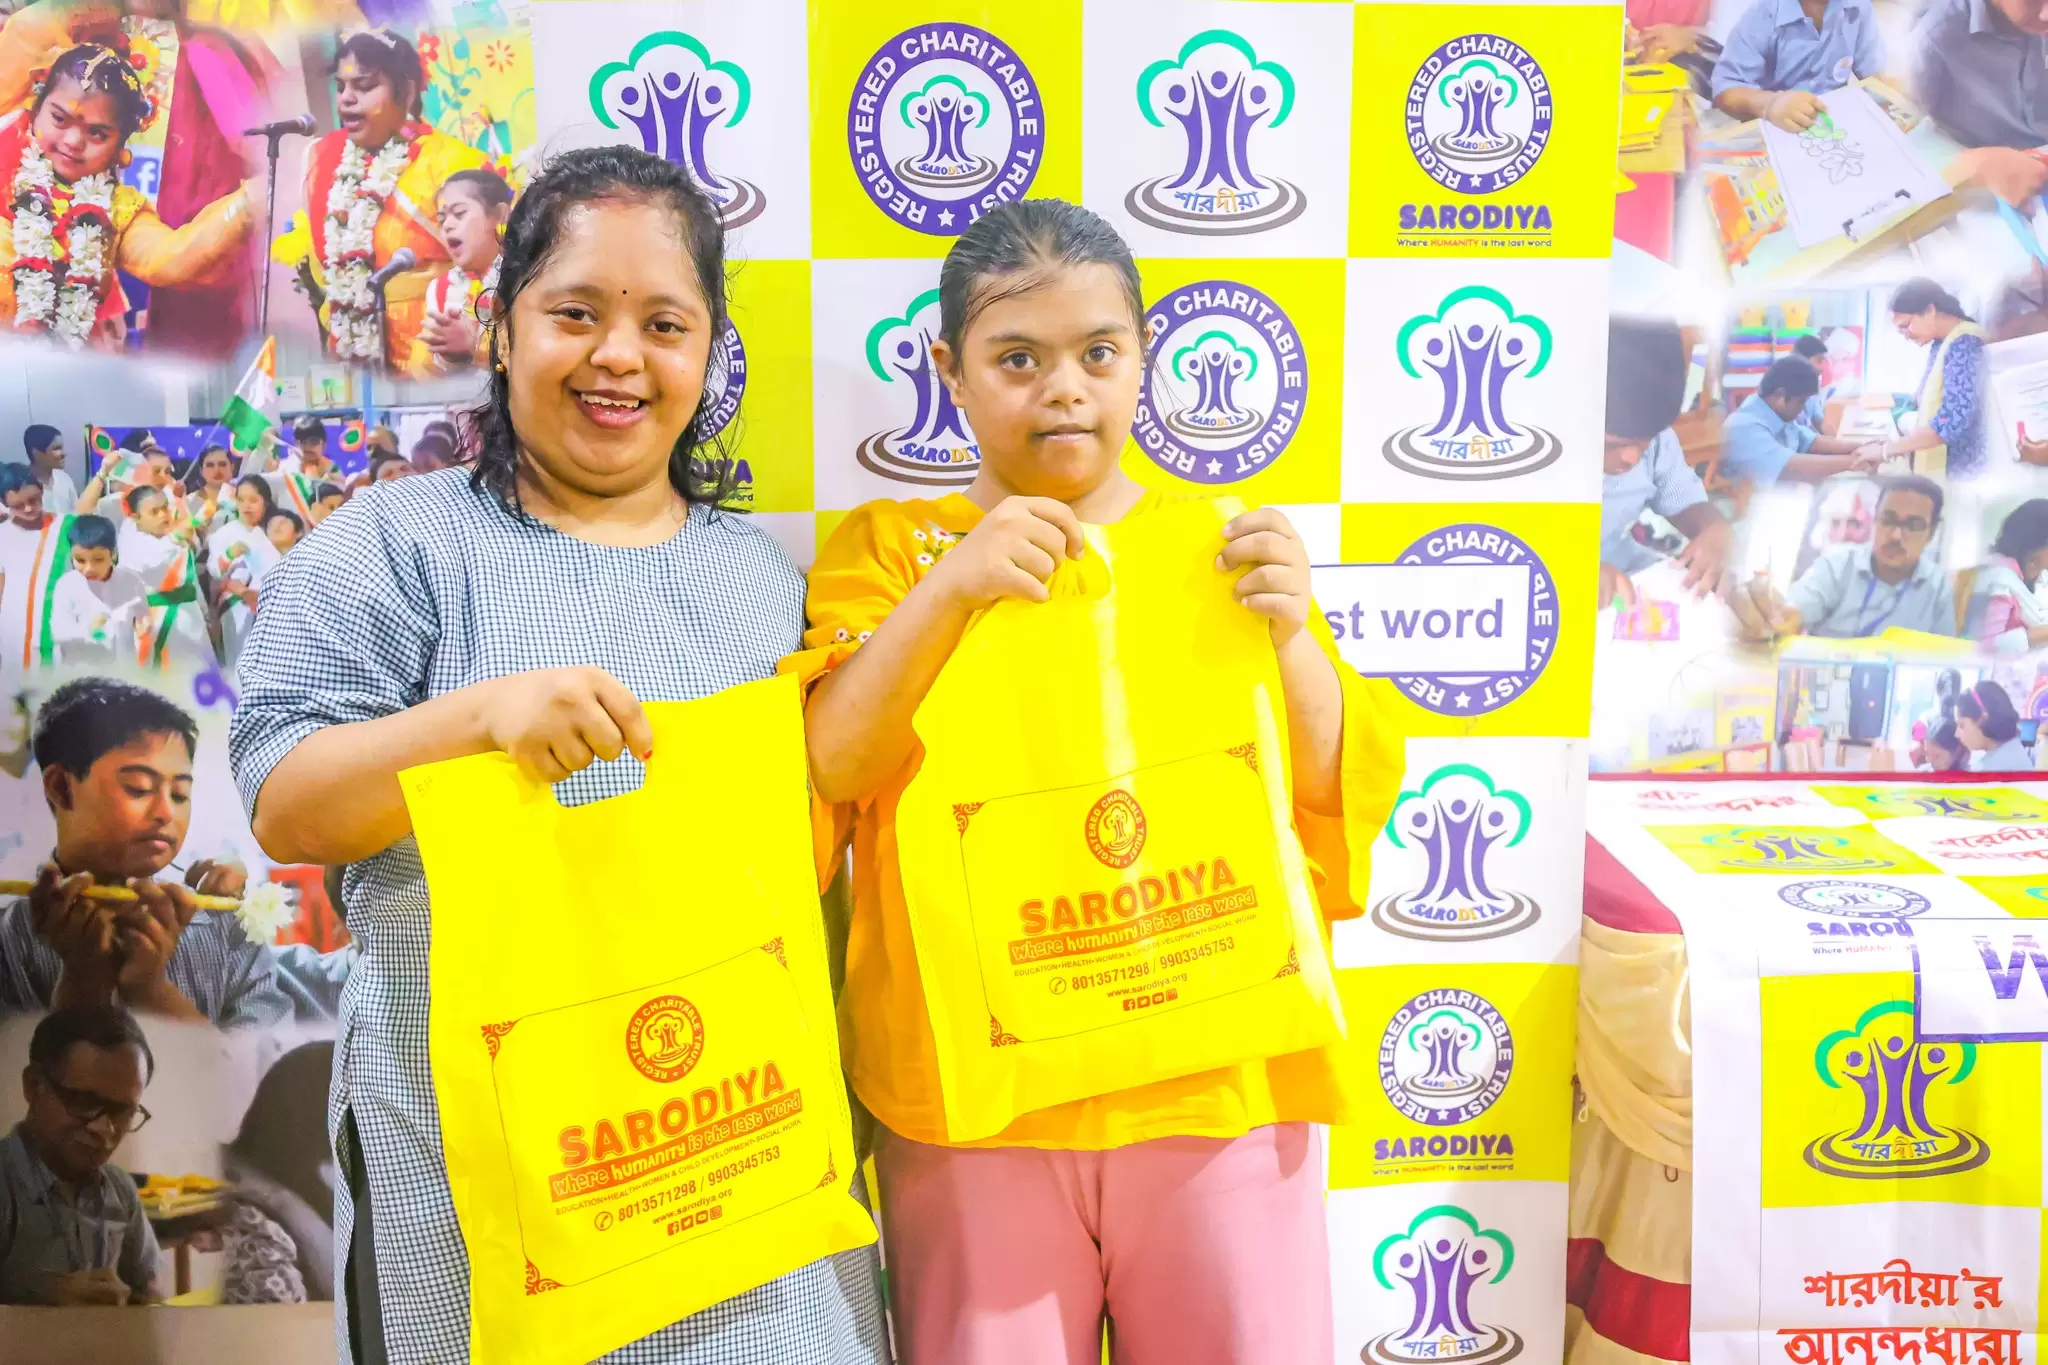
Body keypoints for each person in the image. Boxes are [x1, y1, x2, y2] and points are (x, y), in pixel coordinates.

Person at [229, 145, 888, 1365]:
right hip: (492, 1184)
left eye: (664, 324)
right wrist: (477, 723)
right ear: (502, 328)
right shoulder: (399, 543)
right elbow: (285, 803)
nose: (618, 357)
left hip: (738, 1165)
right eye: (575, 314)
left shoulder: (760, 579)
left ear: (709, 351)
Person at [794, 199, 1397, 1365]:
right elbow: (833, 766)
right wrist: (951, 590)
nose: (1062, 390)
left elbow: (1328, 791)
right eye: (1016, 359)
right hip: (975, 1101)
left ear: (1143, 360)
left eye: (1096, 354)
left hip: (1215, 1085)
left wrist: (1291, 634)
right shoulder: (891, 550)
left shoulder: (1221, 544)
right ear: (949, 373)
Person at [0, 677, 288, 1026]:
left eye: (179, 794)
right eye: (138, 788)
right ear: (61, 788)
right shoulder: (8, 941)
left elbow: (263, 1058)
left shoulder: (223, 925)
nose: (166, 813)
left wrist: (151, 990)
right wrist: (82, 982)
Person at [0, 42, 257, 351]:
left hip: (64, 367)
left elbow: (167, 258)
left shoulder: (116, 207)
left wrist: (249, 204)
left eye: (97, 133)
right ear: (37, 108)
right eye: (59, 119)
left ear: (119, 147)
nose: (73, 141)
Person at [292, 29, 486, 368]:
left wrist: (466, 341)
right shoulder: (324, 161)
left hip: (431, 363)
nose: (346, 100)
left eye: (364, 86)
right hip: (352, 359)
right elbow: (326, 277)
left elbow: (492, 267)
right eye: (341, 87)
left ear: (407, 92)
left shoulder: (449, 163)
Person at [0, 1005, 160, 1305]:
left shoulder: (121, 1190)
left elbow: (149, 1293)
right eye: (84, 1102)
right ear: (34, 1086)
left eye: (122, 1112)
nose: (104, 1129)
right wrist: (38, 1303)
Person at [1600, 318, 1733, 608]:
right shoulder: (1522, 458)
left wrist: (1715, 530)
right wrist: (1570, 571)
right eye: (1613, 445)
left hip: (1626, 573)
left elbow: (1686, 503)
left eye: (1645, 441)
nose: (1633, 458)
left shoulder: (1657, 440)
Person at [1732, 475, 1955, 639]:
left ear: (1931, 533)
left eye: (1913, 525)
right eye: (1888, 520)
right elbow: (1797, 606)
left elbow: (1945, 657)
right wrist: (1773, 614)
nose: (1896, 535)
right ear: (1875, 519)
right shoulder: (1838, 564)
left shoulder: (1938, 585)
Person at [1868, 280, 1988, 478]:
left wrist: (1886, 451)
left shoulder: (1965, 343)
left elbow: (1952, 420)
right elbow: (1925, 398)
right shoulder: (1941, 342)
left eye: (1906, 326)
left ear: (1930, 310)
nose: (1905, 335)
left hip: (1962, 469)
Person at [1711, 0, 1884, 130]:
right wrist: (1771, 104)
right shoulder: (1763, 13)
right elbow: (1725, 90)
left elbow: (1875, 74)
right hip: (1778, 126)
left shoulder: (1858, 6)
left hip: (1833, 124)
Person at [410, 166, 511, 376]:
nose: (447, 225)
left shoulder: (522, 278)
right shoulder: (439, 289)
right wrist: (446, 358)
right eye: (441, 219)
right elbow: (421, 371)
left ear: (499, 215)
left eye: (459, 213)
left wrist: (474, 348)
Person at [1719, 356, 1882, 487]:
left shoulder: (1776, 414)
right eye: (1801, 402)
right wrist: (1855, 462)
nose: (1802, 409)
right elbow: (1791, 468)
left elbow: (1811, 441)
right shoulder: (1743, 427)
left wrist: (1861, 448)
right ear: (1780, 395)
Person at [117, 485, 210, 668]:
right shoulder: (130, 541)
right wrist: (174, 538)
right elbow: (151, 561)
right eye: (154, 512)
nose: (163, 515)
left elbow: (191, 581)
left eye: (165, 508)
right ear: (136, 517)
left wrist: (205, 612)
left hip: (191, 619)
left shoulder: (175, 537)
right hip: (155, 621)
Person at [47, 513, 144, 666]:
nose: (89, 568)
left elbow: (142, 616)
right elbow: (60, 632)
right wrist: (89, 630)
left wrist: (143, 624)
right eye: (80, 560)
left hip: (122, 667)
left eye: (98, 560)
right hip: (82, 669)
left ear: (113, 554)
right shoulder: (67, 585)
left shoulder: (131, 582)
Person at [207, 473, 280, 670]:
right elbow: (214, 570)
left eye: (253, 500)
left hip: (272, 605)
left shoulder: (274, 529)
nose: (247, 506)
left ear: (265, 502)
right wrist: (229, 555)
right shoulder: (225, 533)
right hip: (237, 606)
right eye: (241, 500)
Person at [1957, 679, 2031, 770]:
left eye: (1962, 725)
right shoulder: (2013, 750)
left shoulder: (1996, 769)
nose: (1957, 734)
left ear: (1982, 719)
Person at [22, 424, 74, 516]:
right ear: (37, 453)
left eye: (61, 448)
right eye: (56, 448)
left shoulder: (64, 479)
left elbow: (76, 514)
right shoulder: (21, 488)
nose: (63, 454)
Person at [1790, 334, 1836, 429]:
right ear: (1801, 360)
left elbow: (1820, 421)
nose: (1822, 368)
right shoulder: (1785, 391)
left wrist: (1838, 437)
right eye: (1819, 361)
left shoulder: (1811, 389)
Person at [186, 445, 235, 532]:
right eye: (210, 465)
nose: (217, 470)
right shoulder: (191, 501)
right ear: (201, 471)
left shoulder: (242, 497)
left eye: (222, 464)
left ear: (232, 467)